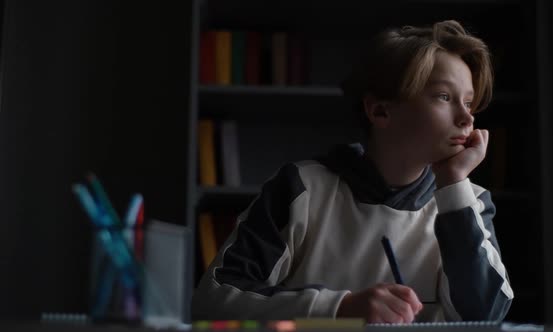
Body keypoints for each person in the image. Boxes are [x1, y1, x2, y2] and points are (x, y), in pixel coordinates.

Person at [193, 20, 513, 323]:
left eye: (469, 103)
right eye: (444, 97)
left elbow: (483, 317)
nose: (466, 119)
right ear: (380, 110)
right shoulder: (301, 189)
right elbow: (212, 301)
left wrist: (454, 185)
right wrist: (339, 310)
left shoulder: (468, 202)